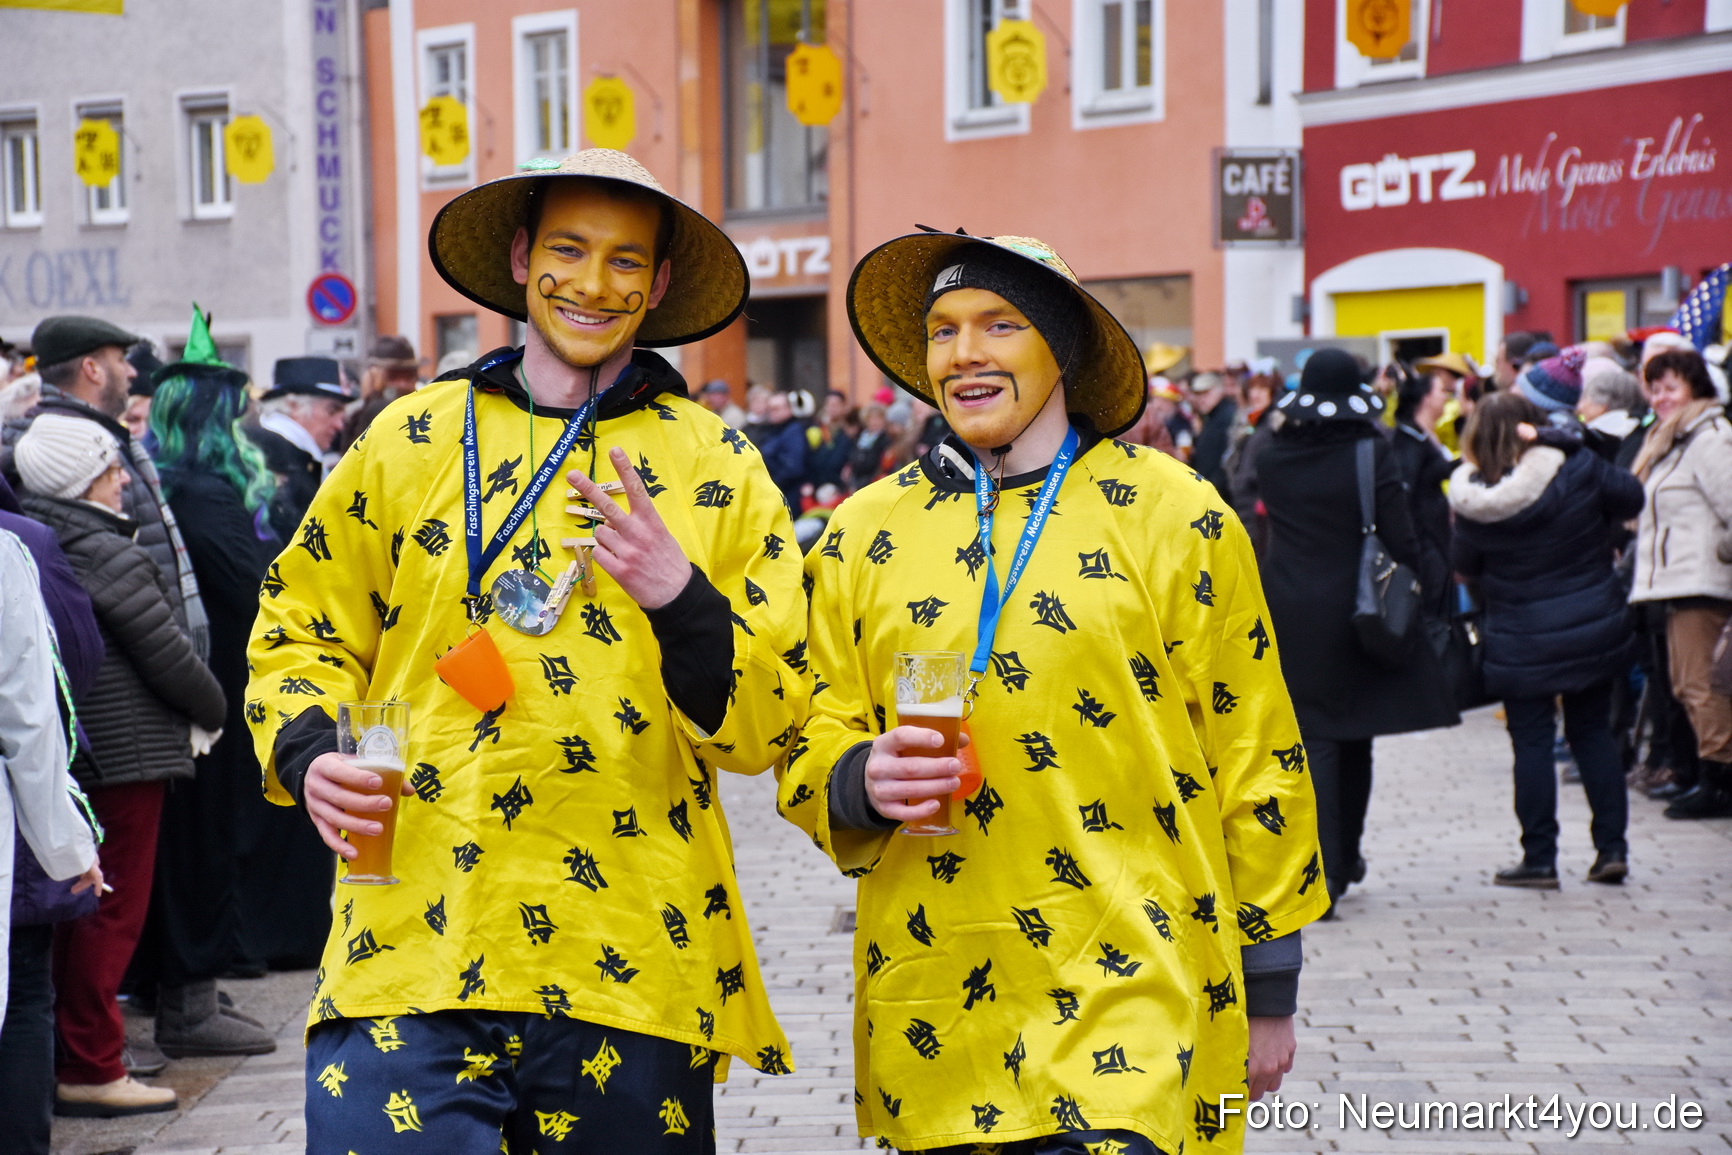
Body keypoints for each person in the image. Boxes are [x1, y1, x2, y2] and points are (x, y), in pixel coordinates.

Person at [245, 149, 803, 1153]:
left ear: (658, 285)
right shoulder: (408, 437)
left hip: (632, 948)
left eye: (625, 261)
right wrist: (310, 750)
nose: (594, 284)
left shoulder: (714, 460)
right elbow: (301, 625)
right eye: (569, 250)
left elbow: (769, 721)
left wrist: (679, 598)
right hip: (412, 935)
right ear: (518, 258)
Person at [781, 231, 1326, 1154]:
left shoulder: (1177, 515)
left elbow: (1257, 747)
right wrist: (855, 777)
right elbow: (809, 723)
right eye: (944, 330)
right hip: (937, 997)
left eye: (1000, 324)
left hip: (1136, 982)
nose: (965, 353)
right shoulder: (860, 532)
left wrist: (1271, 981)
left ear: (1061, 348)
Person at [13, 414, 229, 1114]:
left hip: (93, 750)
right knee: (108, 914)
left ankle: (79, 1056)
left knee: (82, 914)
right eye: (110, 471)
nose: (123, 483)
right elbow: (170, 656)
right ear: (81, 482)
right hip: (128, 753)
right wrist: (218, 706)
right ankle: (93, 1064)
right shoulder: (104, 547)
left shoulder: (43, 533)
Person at [1256, 349, 1459, 908]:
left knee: (1314, 737)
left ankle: (1323, 866)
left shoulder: (1272, 459)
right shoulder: (1372, 453)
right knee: (1356, 736)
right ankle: (1344, 857)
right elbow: (1401, 534)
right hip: (1360, 607)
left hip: (1291, 607)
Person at [132, 314, 282, 1059]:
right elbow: (260, 592)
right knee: (202, 841)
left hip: (186, 688)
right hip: (211, 694)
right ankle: (188, 1000)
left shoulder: (169, 482)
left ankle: (185, 985)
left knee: (186, 841)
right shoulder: (203, 492)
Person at [1447, 392, 1643, 886]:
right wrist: (1573, 443)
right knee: (1592, 733)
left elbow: (1465, 564)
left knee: (1531, 743)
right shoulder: (1577, 466)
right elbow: (1631, 496)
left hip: (1520, 637)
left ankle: (1539, 859)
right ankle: (1611, 849)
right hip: (1590, 626)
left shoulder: (1475, 499)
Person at [2, 315, 210, 663]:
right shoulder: (66, 451)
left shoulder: (103, 439)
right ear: (92, 369)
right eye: (121, 359)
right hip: (130, 664)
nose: (131, 372)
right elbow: (105, 577)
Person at [0, 476, 106, 1154]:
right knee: (21, 995)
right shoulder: (10, 551)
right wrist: (70, 848)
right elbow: (33, 722)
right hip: (12, 816)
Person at [1628, 348, 1732, 819]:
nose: (1661, 397)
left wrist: (1718, 553)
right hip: (1675, 582)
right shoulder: (1673, 440)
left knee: (1701, 684)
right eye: (1654, 389)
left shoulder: (1710, 439)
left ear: (1697, 388)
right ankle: (1707, 775)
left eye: (1671, 387)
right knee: (1686, 684)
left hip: (1701, 581)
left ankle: (1720, 781)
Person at [247, 357, 354, 543]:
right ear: (293, 406)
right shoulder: (279, 461)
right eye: (332, 410)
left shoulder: (292, 457)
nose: (339, 425)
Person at [1389, 362, 1457, 623]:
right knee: (1433, 614)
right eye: (1441, 391)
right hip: (1426, 546)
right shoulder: (1408, 441)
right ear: (1426, 398)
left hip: (1438, 540)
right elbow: (1406, 494)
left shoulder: (1424, 436)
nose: (1446, 397)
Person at [336, 335, 419, 453]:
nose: (403, 384)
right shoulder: (354, 415)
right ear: (372, 376)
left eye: (410, 376)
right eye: (393, 376)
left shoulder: (425, 412)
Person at [1576, 357, 1648, 470]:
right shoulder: (1642, 431)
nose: (1580, 407)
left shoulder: (1598, 438)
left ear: (1601, 405)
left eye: (1585, 398)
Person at [753, 389, 808, 513]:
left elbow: (794, 467)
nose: (772, 413)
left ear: (788, 409)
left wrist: (770, 485)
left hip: (789, 496)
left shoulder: (794, 431)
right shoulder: (770, 430)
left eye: (776, 409)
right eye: (770, 409)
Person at [1187, 370, 1237, 494]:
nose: (1201, 399)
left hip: (1219, 492)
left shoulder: (1226, 416)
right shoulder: (1210, 416)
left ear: (1219, 391)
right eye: (1198, 394)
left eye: (1206, 393)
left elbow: (1225, 459)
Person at [804, 389, 855, 494]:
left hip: (840, 486)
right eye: (829, 404)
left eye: (836, 404)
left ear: (844, 406)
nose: (832, 408)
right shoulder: (817, 428)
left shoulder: (851, 430)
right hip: (818, 484)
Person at [846, 402, 893, 487]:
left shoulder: (886, 440)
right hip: (856, 479)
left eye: (878, 418)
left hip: (874, 481)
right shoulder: (859, 437)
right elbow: (852, 455)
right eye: (872, 419)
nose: (875, 422)